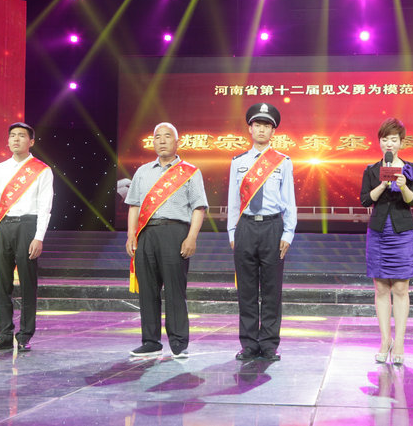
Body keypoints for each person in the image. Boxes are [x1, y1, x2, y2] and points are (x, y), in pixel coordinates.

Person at [125, 122, 208, 358]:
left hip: (175, 233)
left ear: (177, 142)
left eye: (167, 136)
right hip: (146, 234)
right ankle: (150, 342)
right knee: (147, 291)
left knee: (174, 290)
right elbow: (134, 206)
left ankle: (179, 342)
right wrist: (131, 234)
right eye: (157, 137)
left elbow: (199, 207)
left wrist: (191, 237)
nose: (162, 141)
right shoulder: (142, 172)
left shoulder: (190, 172)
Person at [227, 102, 297, 361]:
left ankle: (268, 344)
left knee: (271, 289)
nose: (261, 130)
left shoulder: (283, 162)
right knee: (246, 290)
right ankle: (248, 344)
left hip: (272, 227)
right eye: (257, 125)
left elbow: (289, 201)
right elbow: (233, 201)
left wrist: (287, 234)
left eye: (267, 126)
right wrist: (232, 232)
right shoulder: (238, 162)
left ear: (273, 131)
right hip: (245, 227)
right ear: (250, 128)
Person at [0, 122, 54, 352]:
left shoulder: (42, 170)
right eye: (12, 135)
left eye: (21, 136)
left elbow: (45, 207)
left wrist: (39, 237)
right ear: (8, 141)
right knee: (3, 284)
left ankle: (24, 335)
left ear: (31, 141)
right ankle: (4, 335)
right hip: (3, 227)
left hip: (28, 227)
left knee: (27, 284)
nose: (16, 139)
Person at [360, 118, 413, 365]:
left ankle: (400, 342)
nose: (389, 144)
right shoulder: (372, 170)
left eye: (393, 140)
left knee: (401, 289)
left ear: (401, 143)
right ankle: (385, 340)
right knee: (381, 288)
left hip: (402, 233)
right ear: (380, 142)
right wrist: (382, 185)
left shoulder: (412, 168)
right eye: (384, 139)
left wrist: (403, 186)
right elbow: (365, 200)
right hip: (378, 233)